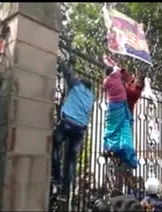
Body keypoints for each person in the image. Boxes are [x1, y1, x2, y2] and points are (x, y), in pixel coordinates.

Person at [51, 63, 94, 197]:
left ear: (81, 82)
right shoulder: (91, 96)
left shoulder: (76, 85)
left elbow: (67, 72)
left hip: (68, 123)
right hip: (80, 129)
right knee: (71, 158)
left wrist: (61, 60)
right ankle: (65, 190)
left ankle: (57, 177)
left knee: (54, 143)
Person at [103, 66, 137, 169]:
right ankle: (118, 151)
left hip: (112, 106)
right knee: (121, 127)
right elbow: (121, 70)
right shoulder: (117, 74)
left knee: (111, 127)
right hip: (121, 104)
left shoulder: (106, 81)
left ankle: (110, 147)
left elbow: (103, 88)